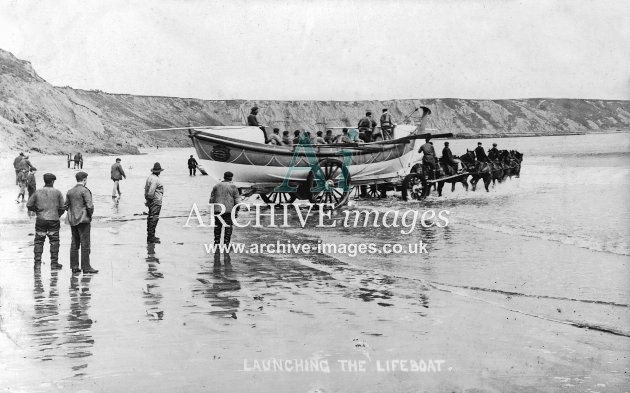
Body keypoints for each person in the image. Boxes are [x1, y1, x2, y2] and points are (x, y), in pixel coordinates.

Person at [26, 173, 65, 271]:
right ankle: (54, 264)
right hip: (54, 220)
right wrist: (57, 214)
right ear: (52, 181)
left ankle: (37, 264)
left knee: (39, 241)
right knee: (54, 242)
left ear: (45, 181)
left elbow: (29, 205)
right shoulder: (58, 192)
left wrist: (38, 211)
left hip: (41, 220)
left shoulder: (37, 192)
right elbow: (62, 208)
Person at [64, 171, 98, 274]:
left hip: (73, 220)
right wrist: (90, 215)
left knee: (74, 243)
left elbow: (66, 206)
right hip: (84, 220)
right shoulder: (85, 191)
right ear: (84, 180)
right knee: (85, 244)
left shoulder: (70, 191)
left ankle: (74, 267)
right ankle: (86, 267)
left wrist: (73, 213)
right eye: (86, 179)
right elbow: (89, 206)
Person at [209, 171, 240, 264]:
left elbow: (211, 200)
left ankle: (216, 244)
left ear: (224, 177)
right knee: (228, 228)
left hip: (218, 210)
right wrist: (237, 211)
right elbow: (237, 202)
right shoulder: (233, 187)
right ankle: (226, 245)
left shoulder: (216, 186)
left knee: (217, 227)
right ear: (231, 178)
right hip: (229, 211)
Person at [145, 163, 165, 244]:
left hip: (151, 201)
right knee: (154, 219)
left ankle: (150, 236)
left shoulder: (150, 177)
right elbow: (150, 192)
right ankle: (151, 238)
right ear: (159, 171)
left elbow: (146, 190)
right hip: (155, 201)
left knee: (151, 218)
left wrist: (147, 200)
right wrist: (150, 200)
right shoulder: (156, 179)